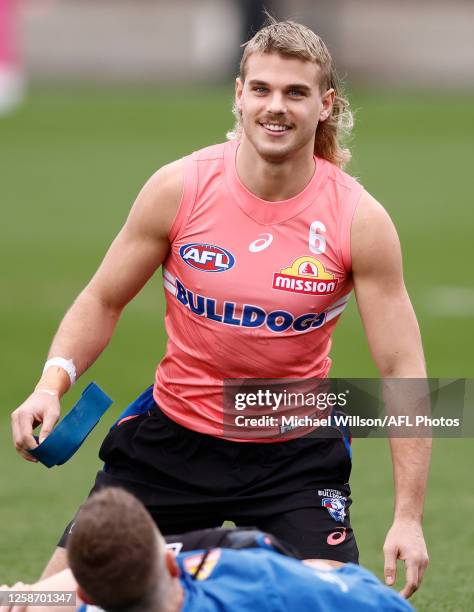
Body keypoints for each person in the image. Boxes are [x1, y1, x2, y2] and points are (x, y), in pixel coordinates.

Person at [11, 18, 430, 598]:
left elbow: (402, 370)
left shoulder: (358, 220)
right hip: (172, 445)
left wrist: (408, 516)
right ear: (239, 94)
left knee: (346, 604)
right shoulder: (179, 188)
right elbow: (102, 299)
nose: (275, 107)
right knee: (49, 599)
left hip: (294, 459)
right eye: (261, 89)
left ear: (325, 104)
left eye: (295, 92)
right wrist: (50, 385)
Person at [0, 488, 414, 612]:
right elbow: (360, 594)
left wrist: (22, 597)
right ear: (171, 560)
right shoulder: (259, 580)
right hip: (249, 555)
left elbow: (64, 595)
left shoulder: (88, 602)